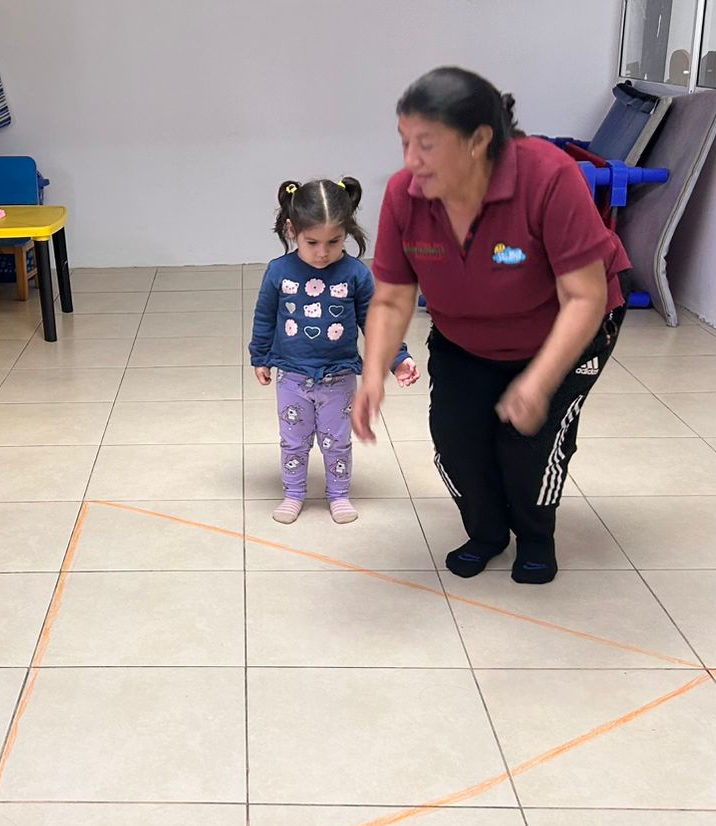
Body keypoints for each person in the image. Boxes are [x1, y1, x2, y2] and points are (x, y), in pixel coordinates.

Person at [353, 67, 630, 585]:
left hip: (565, 332)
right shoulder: (405, 195)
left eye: (427, 145)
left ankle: (536, 537)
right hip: (465, 338)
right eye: (405, 142)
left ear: (479, 140)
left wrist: (538, 381)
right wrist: (372, 375)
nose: (411, 161)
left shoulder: (548, 177)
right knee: (456, 439)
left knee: (527, 445)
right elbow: (391, 297)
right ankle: (486, 533)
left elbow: (585, 296)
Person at [249, 178, 419, 525]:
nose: (323, 253)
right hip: (292, 375)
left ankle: (339, 494)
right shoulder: (279, 271)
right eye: (312, 242)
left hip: (339, 376)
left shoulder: (355, 273)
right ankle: (294, 493)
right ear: (292, 230)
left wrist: (398, 358)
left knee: (337, 441)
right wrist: (260, 356)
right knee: (293, 441)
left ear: (347, 232)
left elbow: (375, 321)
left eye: (334, 242)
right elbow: (264, 316)